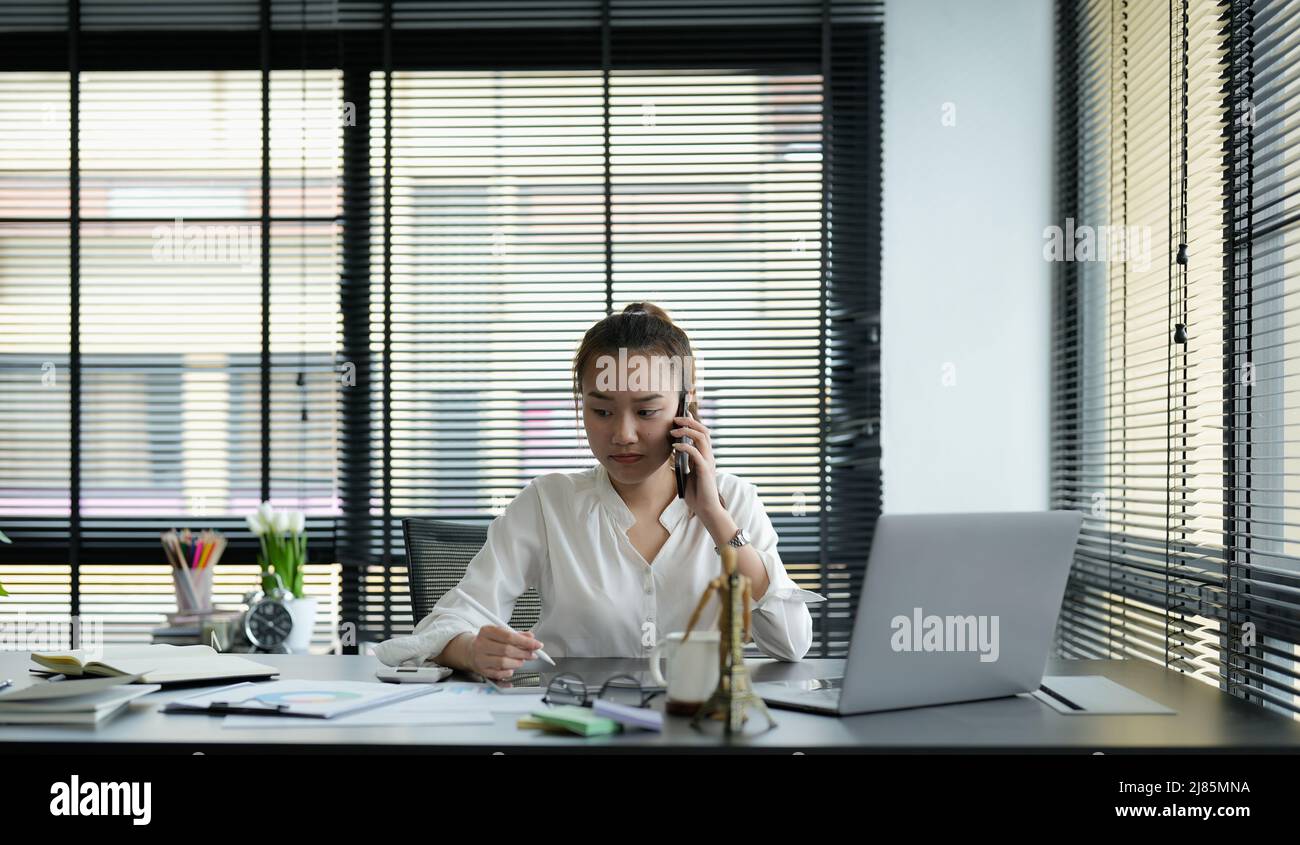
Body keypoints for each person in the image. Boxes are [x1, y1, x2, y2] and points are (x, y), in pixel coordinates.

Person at [375, 302, 823, 679]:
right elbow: (447, 621)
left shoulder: (736, 500)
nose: (623, 434)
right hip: (576, 727)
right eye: (602, 412)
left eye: (647, 411)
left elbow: (790, 642)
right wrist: (470, 649)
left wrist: (714, 517)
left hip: (702, 730)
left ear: (687, 407)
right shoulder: (548, 503)